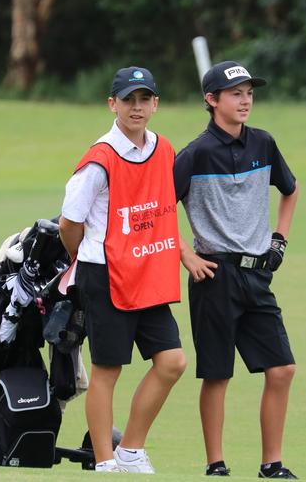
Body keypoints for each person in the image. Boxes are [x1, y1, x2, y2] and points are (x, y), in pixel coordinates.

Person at [175, 61, 300, 479]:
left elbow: (290, 189)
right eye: (235, 93)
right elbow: (156, 210)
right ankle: (216, 464)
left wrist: (279, 240)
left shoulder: (263, 144)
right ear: (211, 100)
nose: (245, 100)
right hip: (214, 275)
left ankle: (272, 463)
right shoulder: (194, 153)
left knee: (282, 368)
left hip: (257, 274)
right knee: (217, 374)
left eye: (249, 92)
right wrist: (186, 256)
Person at [59, 66, 187, 473]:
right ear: (112, 104)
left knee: (172, 361)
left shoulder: (163, 148)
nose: (137, 107)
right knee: (108, 368)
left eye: (144, 99)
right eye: (128, 100)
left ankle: (131, 448)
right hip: (106, 273)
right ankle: (105, 460)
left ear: (155, 105)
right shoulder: (100, 159)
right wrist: (87, 256)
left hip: (148, 271)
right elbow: (69, 223)